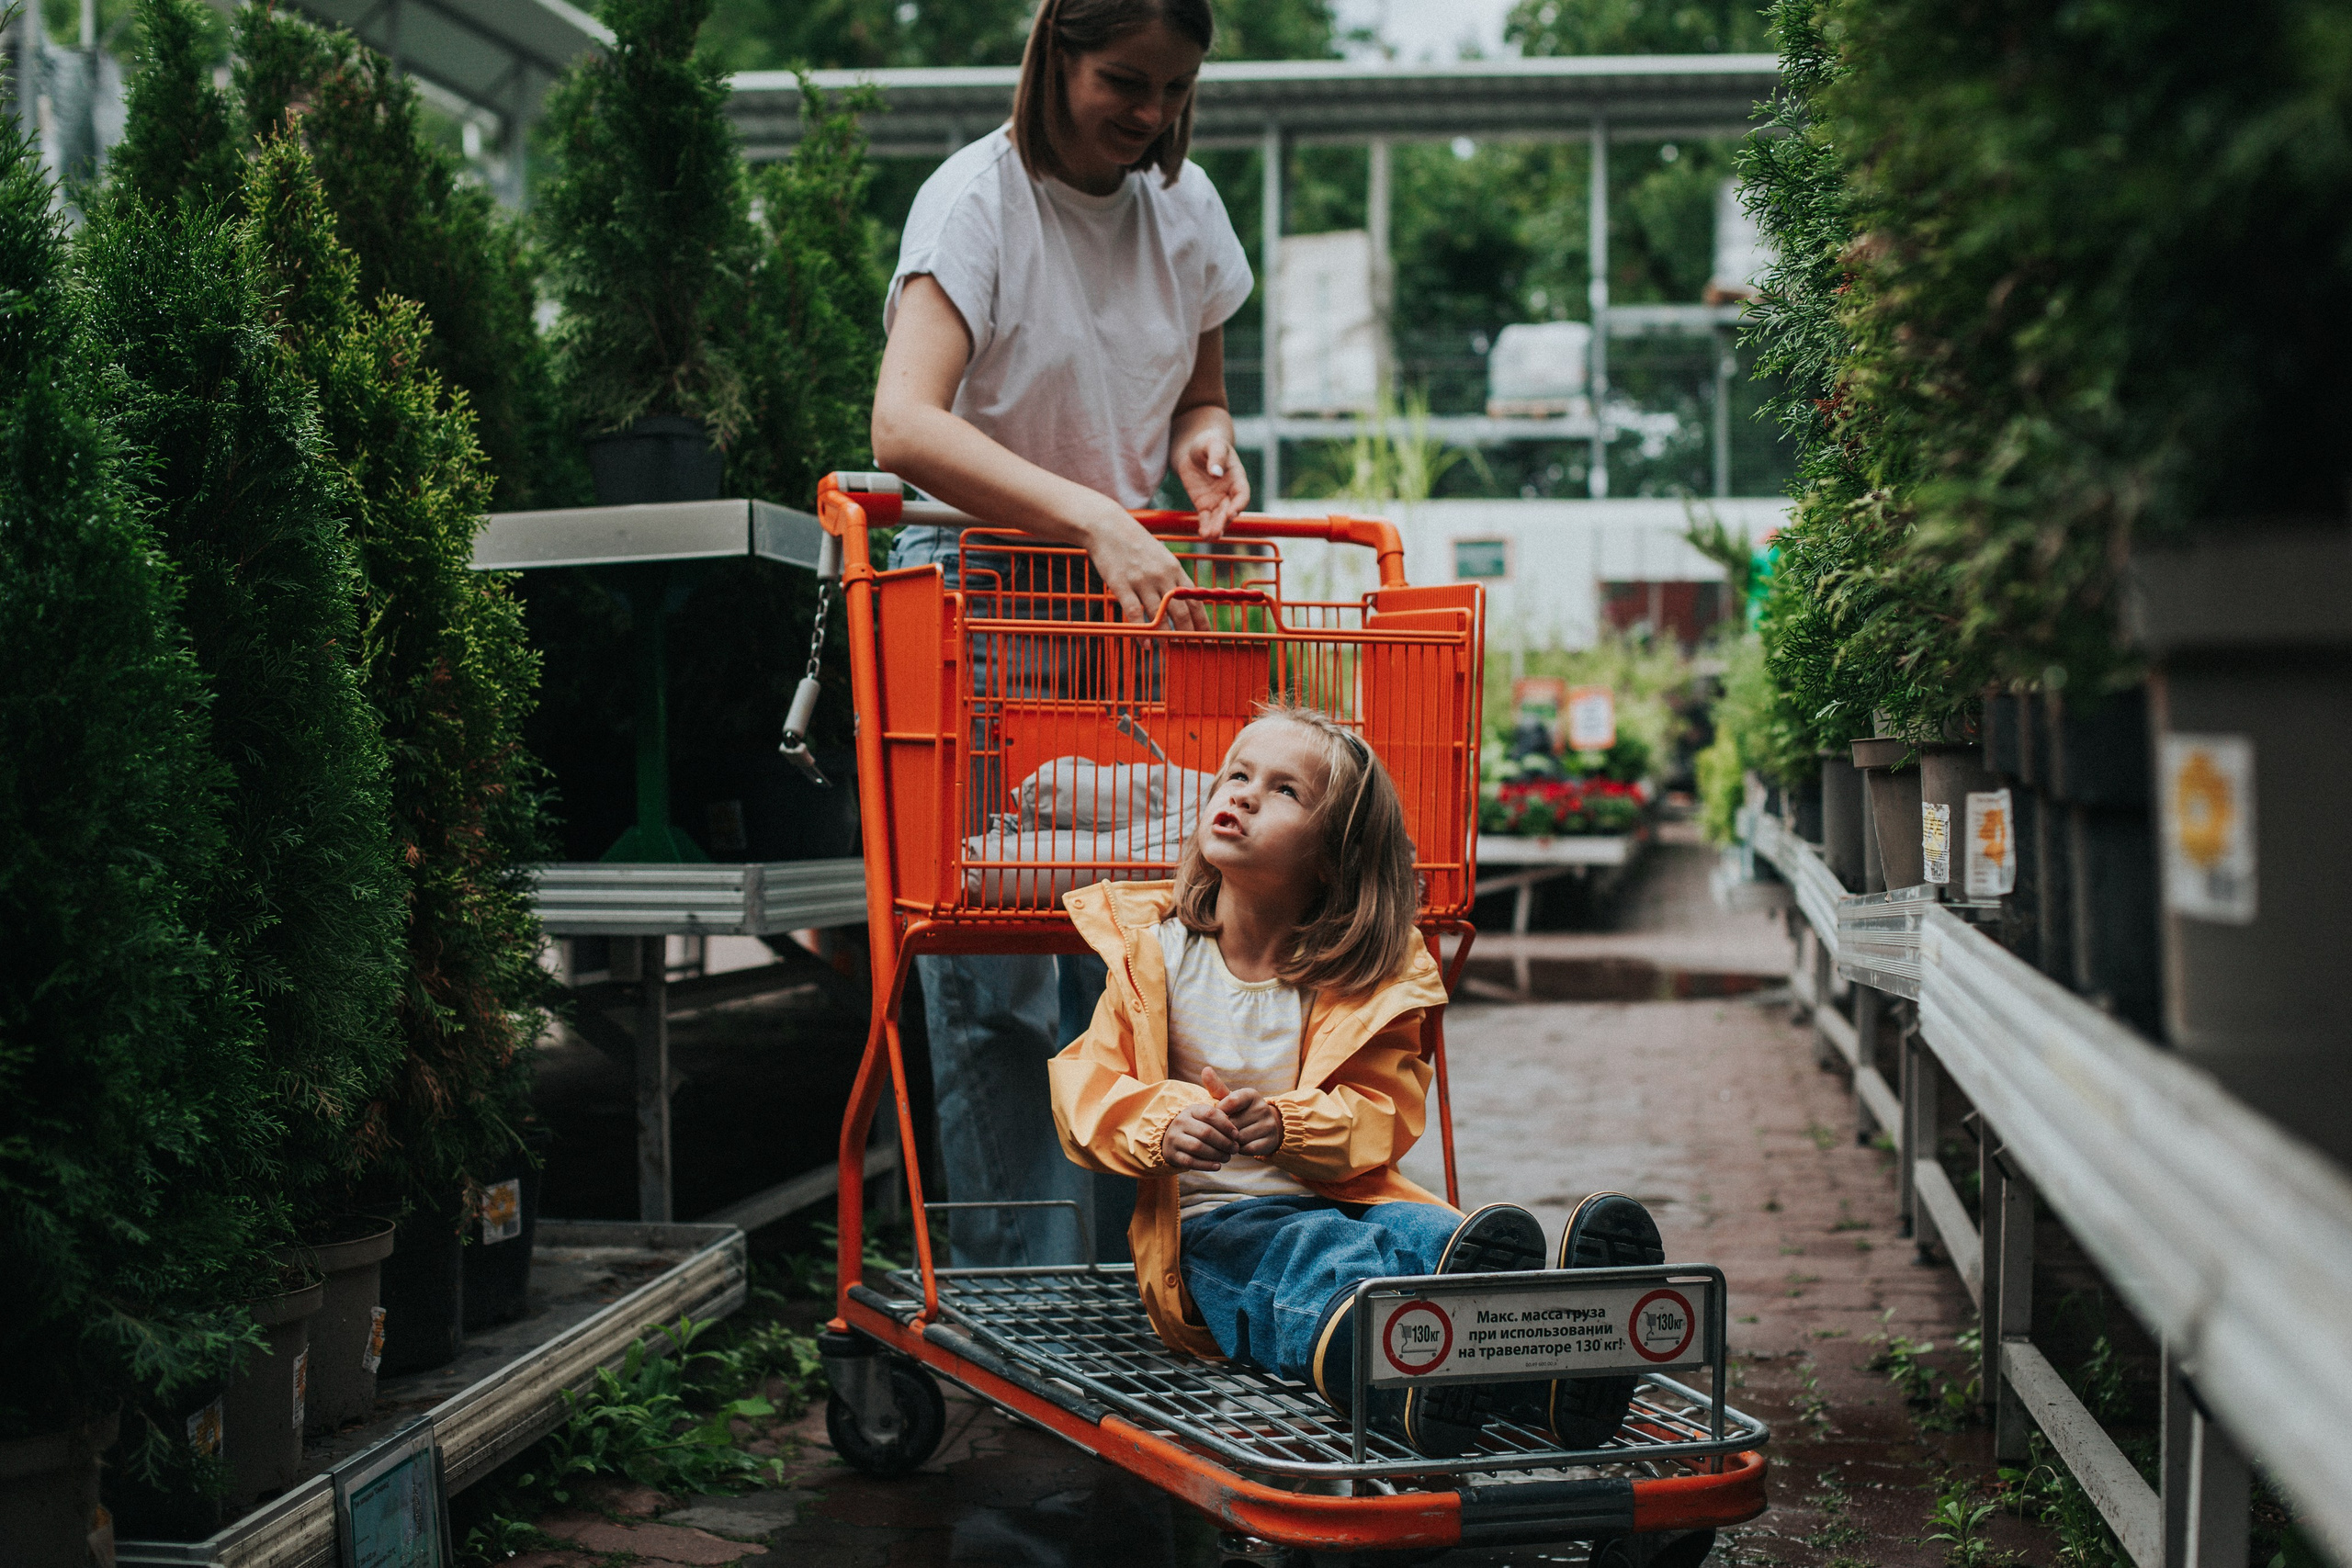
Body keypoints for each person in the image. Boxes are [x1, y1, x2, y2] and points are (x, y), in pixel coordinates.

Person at [868, 0, 1255, 1269]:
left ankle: (1115, 1290)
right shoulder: (976, 203)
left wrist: (1206, 447)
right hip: (978, 603)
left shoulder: (1184, 212)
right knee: (995, 977)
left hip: (1114, 610)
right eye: (1125, 81)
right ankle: (1021, 1301)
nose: (1151, 113)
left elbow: (1200, 391)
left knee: (1126, 959)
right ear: (1056, 57)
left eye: (1175, 88)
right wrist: (1093, 510)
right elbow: (906, 428)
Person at [1048, 704, 1668, 1458]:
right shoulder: (1157, 957)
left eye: (1284, 791)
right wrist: (1164, 1121)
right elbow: (1086, 1086)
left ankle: (1563, 1353)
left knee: (1434, 1237)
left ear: (1330, 859)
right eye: (1237, 774)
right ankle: (1405, 1376)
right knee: (1322, 1261)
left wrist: (1291, 1124)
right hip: (1214, 1232)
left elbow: (1384, 1114)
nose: (1242, 794)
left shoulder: (1351, 976)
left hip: (1347, 1195)